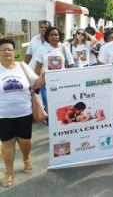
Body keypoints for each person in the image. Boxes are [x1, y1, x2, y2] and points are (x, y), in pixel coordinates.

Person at [0, 38, 45, 187]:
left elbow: (36, 83)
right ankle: (9, 172)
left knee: (25, 141)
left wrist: (43, 77)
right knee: (7, 143)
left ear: (14, 52)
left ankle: (26, 158)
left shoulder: (22, 67)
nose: (7, 52)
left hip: (24, 112)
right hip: (3, 115)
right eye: (3, 49)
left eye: (10, 49)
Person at [34, 27, 74, 120]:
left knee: (62, 105)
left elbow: (71, 64)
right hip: (46, 84)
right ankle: (51, 126)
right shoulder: (42, 49)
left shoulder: (64, 49)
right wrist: (37, 82)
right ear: (47, 37)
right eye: (51, 35)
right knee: (49, 106)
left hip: (62, 84)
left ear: (59, 36)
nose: (54, 37)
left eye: (56, 35)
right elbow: (38, 68)